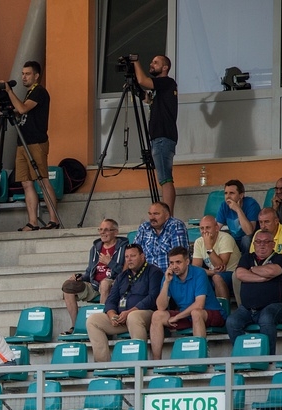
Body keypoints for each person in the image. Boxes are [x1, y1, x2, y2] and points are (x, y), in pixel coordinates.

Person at [5, 62, 61, 230]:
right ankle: (32, 222)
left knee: (42, 180)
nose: (24, 77)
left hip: (36, 142)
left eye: (27, 74)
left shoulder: (39, 91)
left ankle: (54, 220)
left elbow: (23, 109)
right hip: (22, 142)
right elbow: (22, 112)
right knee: (26, 183)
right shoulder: (29, 93)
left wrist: (9, 92)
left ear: (36, 76)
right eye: (22, 73)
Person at [87, 243, 163, 362]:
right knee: (93, 320)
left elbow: (153, 298)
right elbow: (111, 299)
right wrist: (112, 315)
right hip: (122, 318)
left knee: (133, 317)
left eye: (133, 256)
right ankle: (103, 364)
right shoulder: (122, 276)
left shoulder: (154, 272)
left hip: (145, 315)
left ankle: (138, 362)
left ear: (142, 256)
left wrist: (129, 312)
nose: (129, 259)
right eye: (127, 257)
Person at [150, 246, 226, 360]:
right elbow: (161, 307)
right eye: (171, 263)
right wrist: (166, 283)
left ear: (187, 262)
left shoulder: (199, 273)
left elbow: (199, 305)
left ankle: (200, 360)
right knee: (157, 315)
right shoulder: (169, 276)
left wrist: (177, 317)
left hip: (211, 313)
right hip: (187, 316)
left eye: (178, 262)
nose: (174, 266)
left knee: (196, 313)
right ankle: (156, 362)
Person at [227, 229, 282, 355]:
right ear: (254, 244)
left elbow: (272, 271)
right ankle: (243, 356)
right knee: (232, 322)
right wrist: (262, 278)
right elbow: (240, 274)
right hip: (247, 308)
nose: (262, 245)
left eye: (266, 242)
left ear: (273, 244)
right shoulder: (247, 257)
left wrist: (252, 269)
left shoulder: (280, 258)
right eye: (258, 242)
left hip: (275, 306)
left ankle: (268, 358)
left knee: (266, 319)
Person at [61, 219, 127, 333]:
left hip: (114, 285)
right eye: (100, 229)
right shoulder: (96, 248)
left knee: (105, 284)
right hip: (95, 285)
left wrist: (110, 262)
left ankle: (103, 325)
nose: (102, 232)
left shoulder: (124, 248)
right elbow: (90, 271)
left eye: (106, 230)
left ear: (115, 232)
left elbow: (125, 273)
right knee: (68, 287)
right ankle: (75, 326)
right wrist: (80, 277)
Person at [132, 55, 178, 213]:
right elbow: (148, 99)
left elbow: (143, 81)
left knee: (165, 179)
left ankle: (167, 216)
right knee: (164, 178)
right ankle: (167, 215)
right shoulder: (161, 89)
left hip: (163, 138)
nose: (152, 64)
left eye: (156, 62)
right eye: (151, 62)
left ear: (165, 68)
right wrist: (136, 88)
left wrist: (135, 62)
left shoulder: (167, 82)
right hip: (160, 138)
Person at [250, 207, 282, 301]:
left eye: (267, 222)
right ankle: (246, 307)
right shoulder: (258, 234)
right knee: (238, 274)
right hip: (265, 270)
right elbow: (252, 259)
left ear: (276, 221)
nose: (263, 226)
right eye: (261, 222)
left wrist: (270, 271)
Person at [191, 215, 240, 300]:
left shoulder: (225, 238)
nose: (204, 231)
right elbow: (195, 268)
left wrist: (209, 247)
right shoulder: (198, 242)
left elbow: (220, 266)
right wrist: (211, 272)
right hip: (213, 273)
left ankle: (223, 307)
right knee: (195, 277)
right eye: (202, 228)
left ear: (216, 228)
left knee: (217, 277)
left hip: (232, 273)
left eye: (208, 227)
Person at [135, 202, 187, 272]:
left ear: (167, 215)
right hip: (146, 275)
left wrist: (168, 276)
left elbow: (179, 256)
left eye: (156, 214)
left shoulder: (175, 226)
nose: (152, 217)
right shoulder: (144, 228)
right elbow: (134, 253)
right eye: (150, 214)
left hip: (169, 274)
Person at [216, 179, 261, 254]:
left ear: (241, 195)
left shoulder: (251, 204)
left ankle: (246, 260)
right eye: (226, 193)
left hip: (251, 240)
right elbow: (216, 228)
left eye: (231, 193)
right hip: (234, 239)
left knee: (246, 239)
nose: (228, 196)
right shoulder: (224, 206)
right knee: (223, 238)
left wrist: (238, 209)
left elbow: (249, 232)